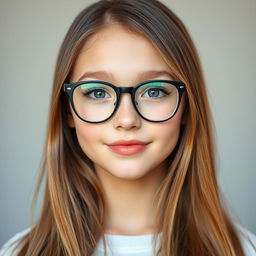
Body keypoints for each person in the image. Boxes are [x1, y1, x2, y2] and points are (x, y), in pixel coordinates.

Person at [0, 0, 256, 255]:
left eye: (154, 91)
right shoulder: (19, 252)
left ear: (187, 107)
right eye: (98, 92)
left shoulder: (243, 250)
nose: (126, 119)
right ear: (68, 110)